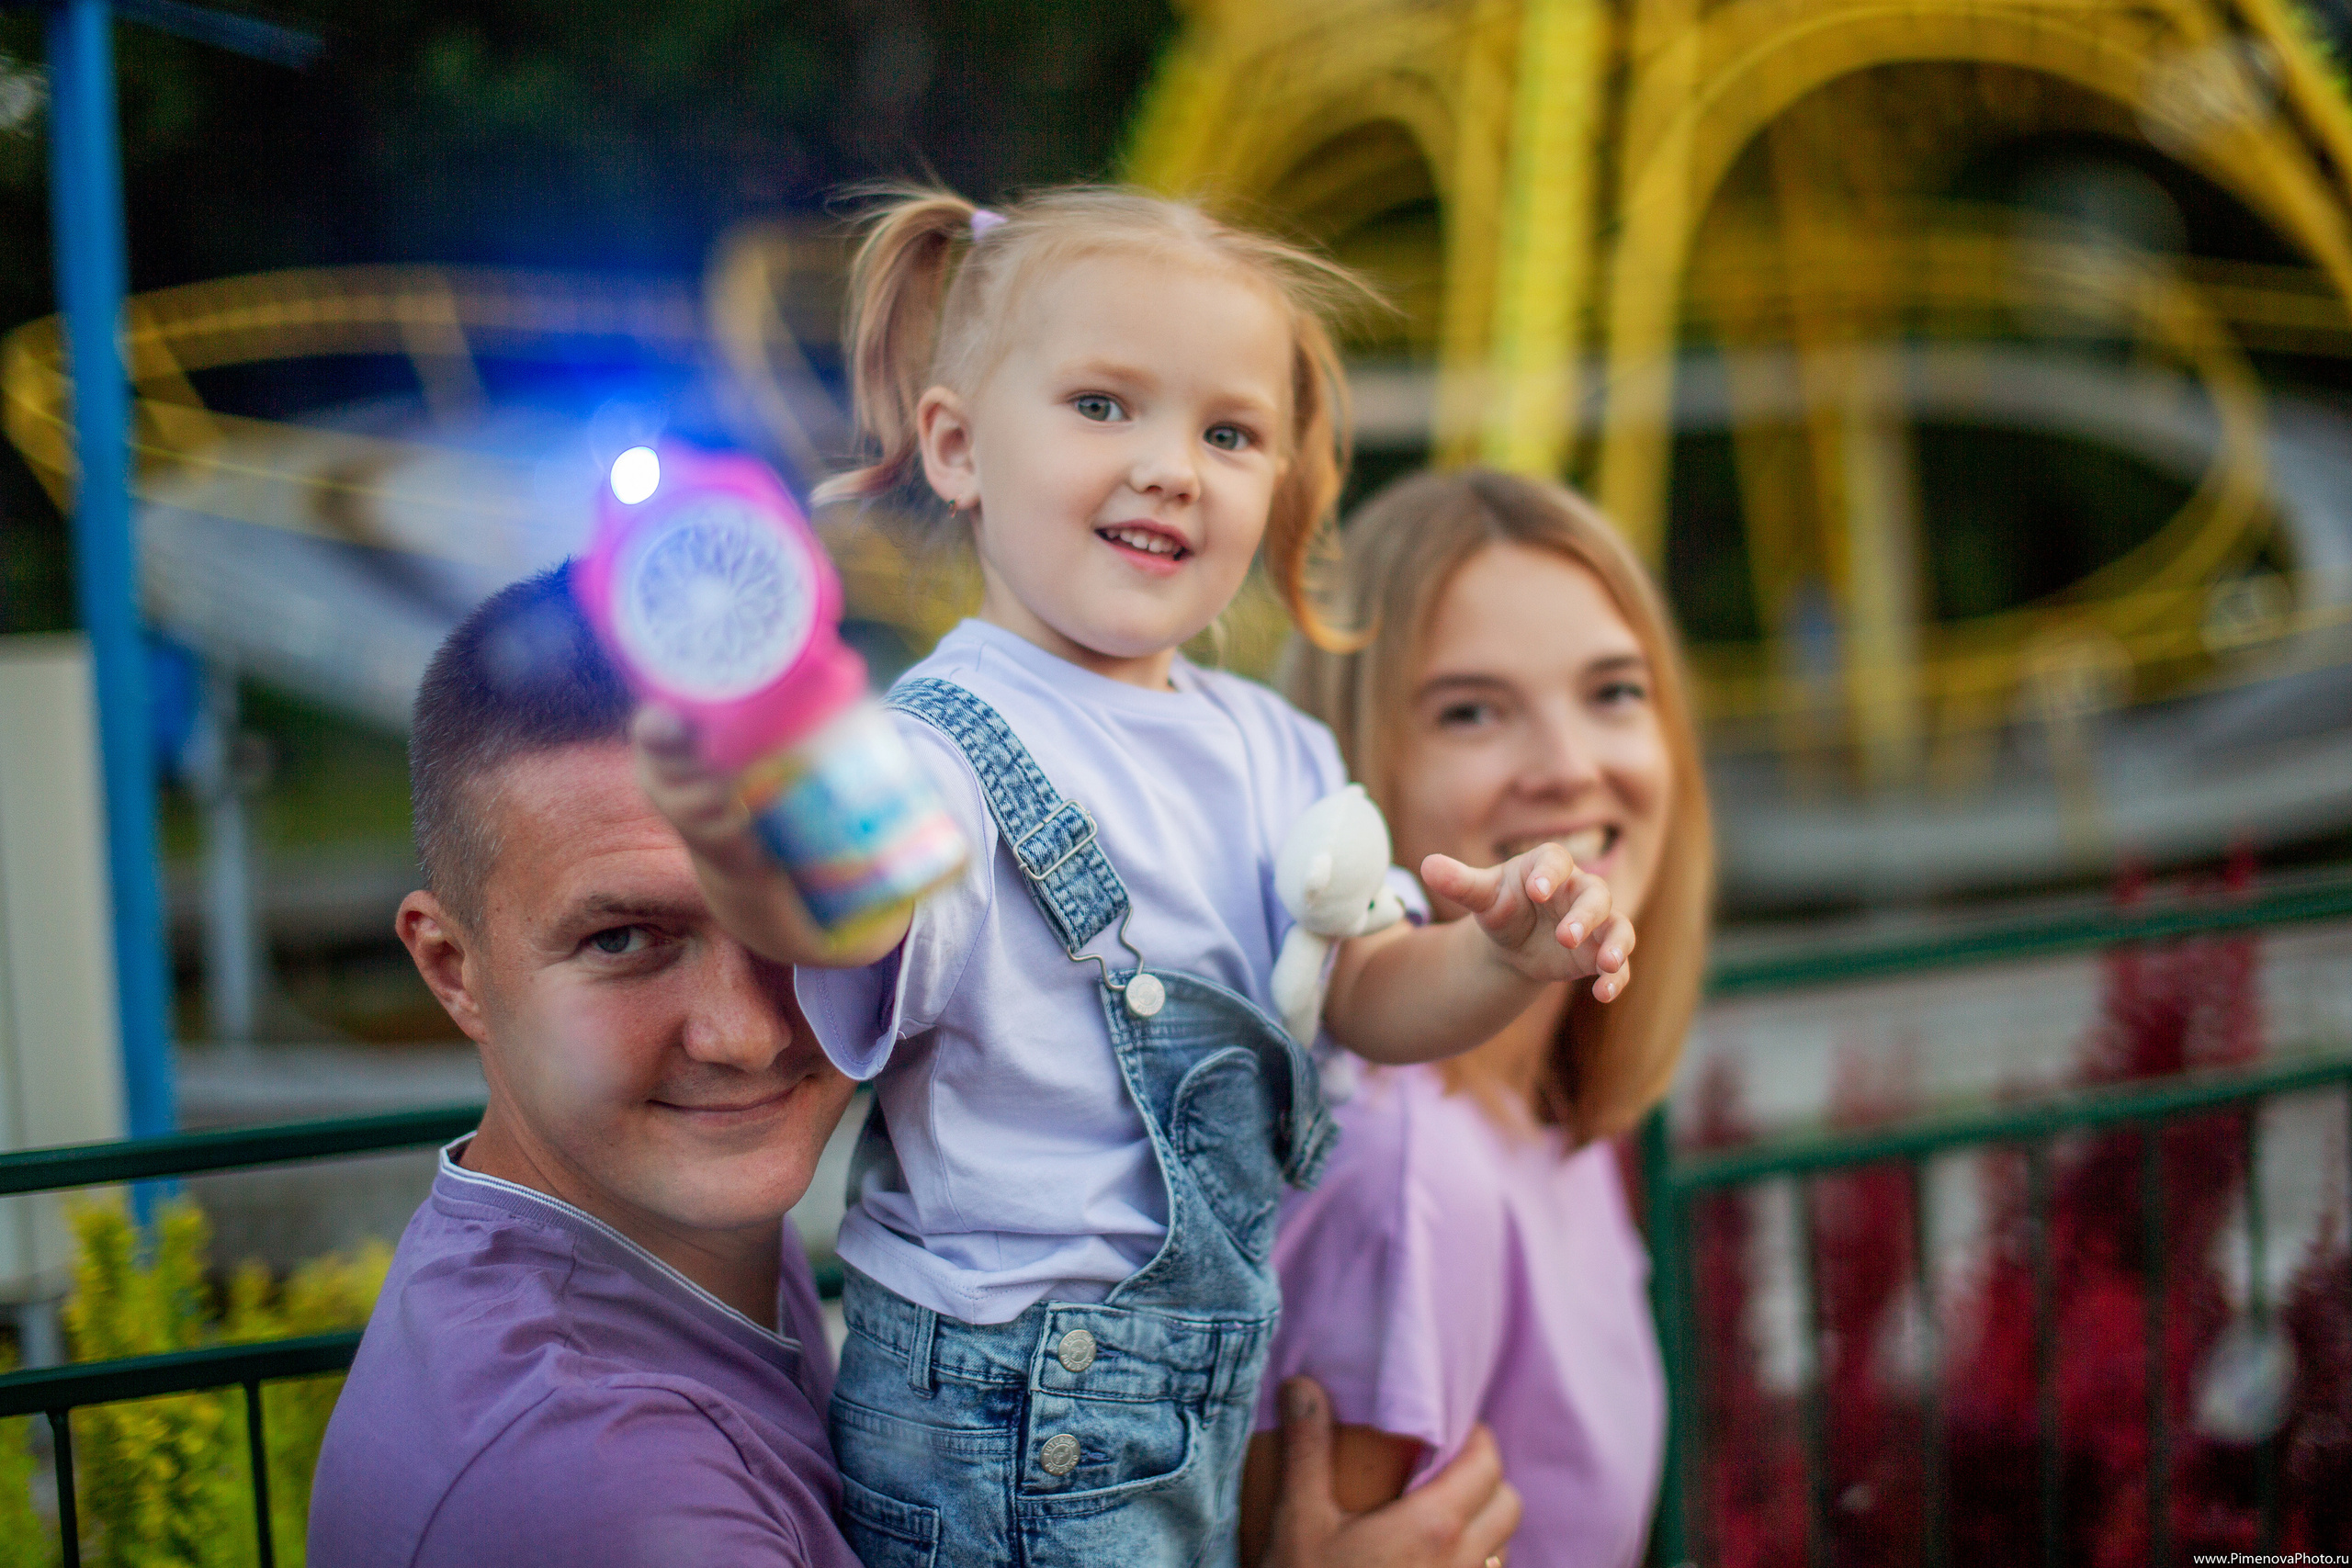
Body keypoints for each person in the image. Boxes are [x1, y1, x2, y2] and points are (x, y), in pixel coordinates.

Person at [634, 186, 1635, 1568]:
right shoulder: (941, 751)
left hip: (1189, 1390)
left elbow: (1364, 991)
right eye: (1104, 405)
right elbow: (844, 902)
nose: (1172, 465)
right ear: (958, 445)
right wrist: (747, 821)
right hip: (1004, 1418)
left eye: (1229, 432)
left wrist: (1501, 959)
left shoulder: (1272, 744)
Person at [307, 565, 1526, 1568]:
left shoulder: (669, 1254)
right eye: (624, 937)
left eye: (810, 918)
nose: (745, 1029)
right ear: (452, 965)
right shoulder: (599, 1485)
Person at [1241, 470, 1718, 1568]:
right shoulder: (1408, 1176)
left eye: (1614, 692)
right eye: (1471, 710)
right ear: (1350, 771)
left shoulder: (1542, 1116)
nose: (1568, 768)